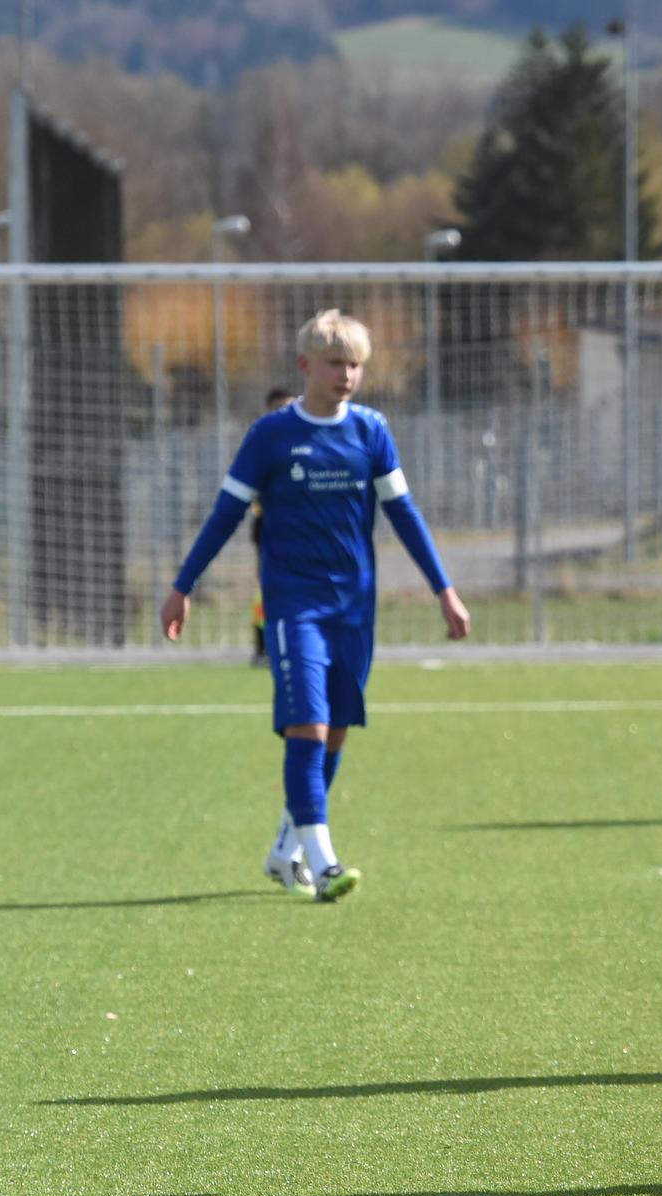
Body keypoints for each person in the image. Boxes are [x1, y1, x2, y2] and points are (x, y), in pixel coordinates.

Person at [161, 310, 470, 902]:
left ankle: (286, 848)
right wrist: (184, 584)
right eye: (335, 363)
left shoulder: (371, 432)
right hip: (292, 606)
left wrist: (444, 589)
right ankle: (326, 864)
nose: (347, 375)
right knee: (309, 722)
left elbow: (404, 515)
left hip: (354, 609)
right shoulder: (272, 435)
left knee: (336, 733)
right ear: (305, 365)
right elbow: (226, 515)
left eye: (355, 364)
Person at [248, 387, 294, 667]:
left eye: (288, 408)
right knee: (266, 588)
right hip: (268, 525)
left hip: (299, 526)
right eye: (278, 408)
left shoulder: (306, 440)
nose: (283, 414)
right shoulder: (262, 444)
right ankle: (263, 647)